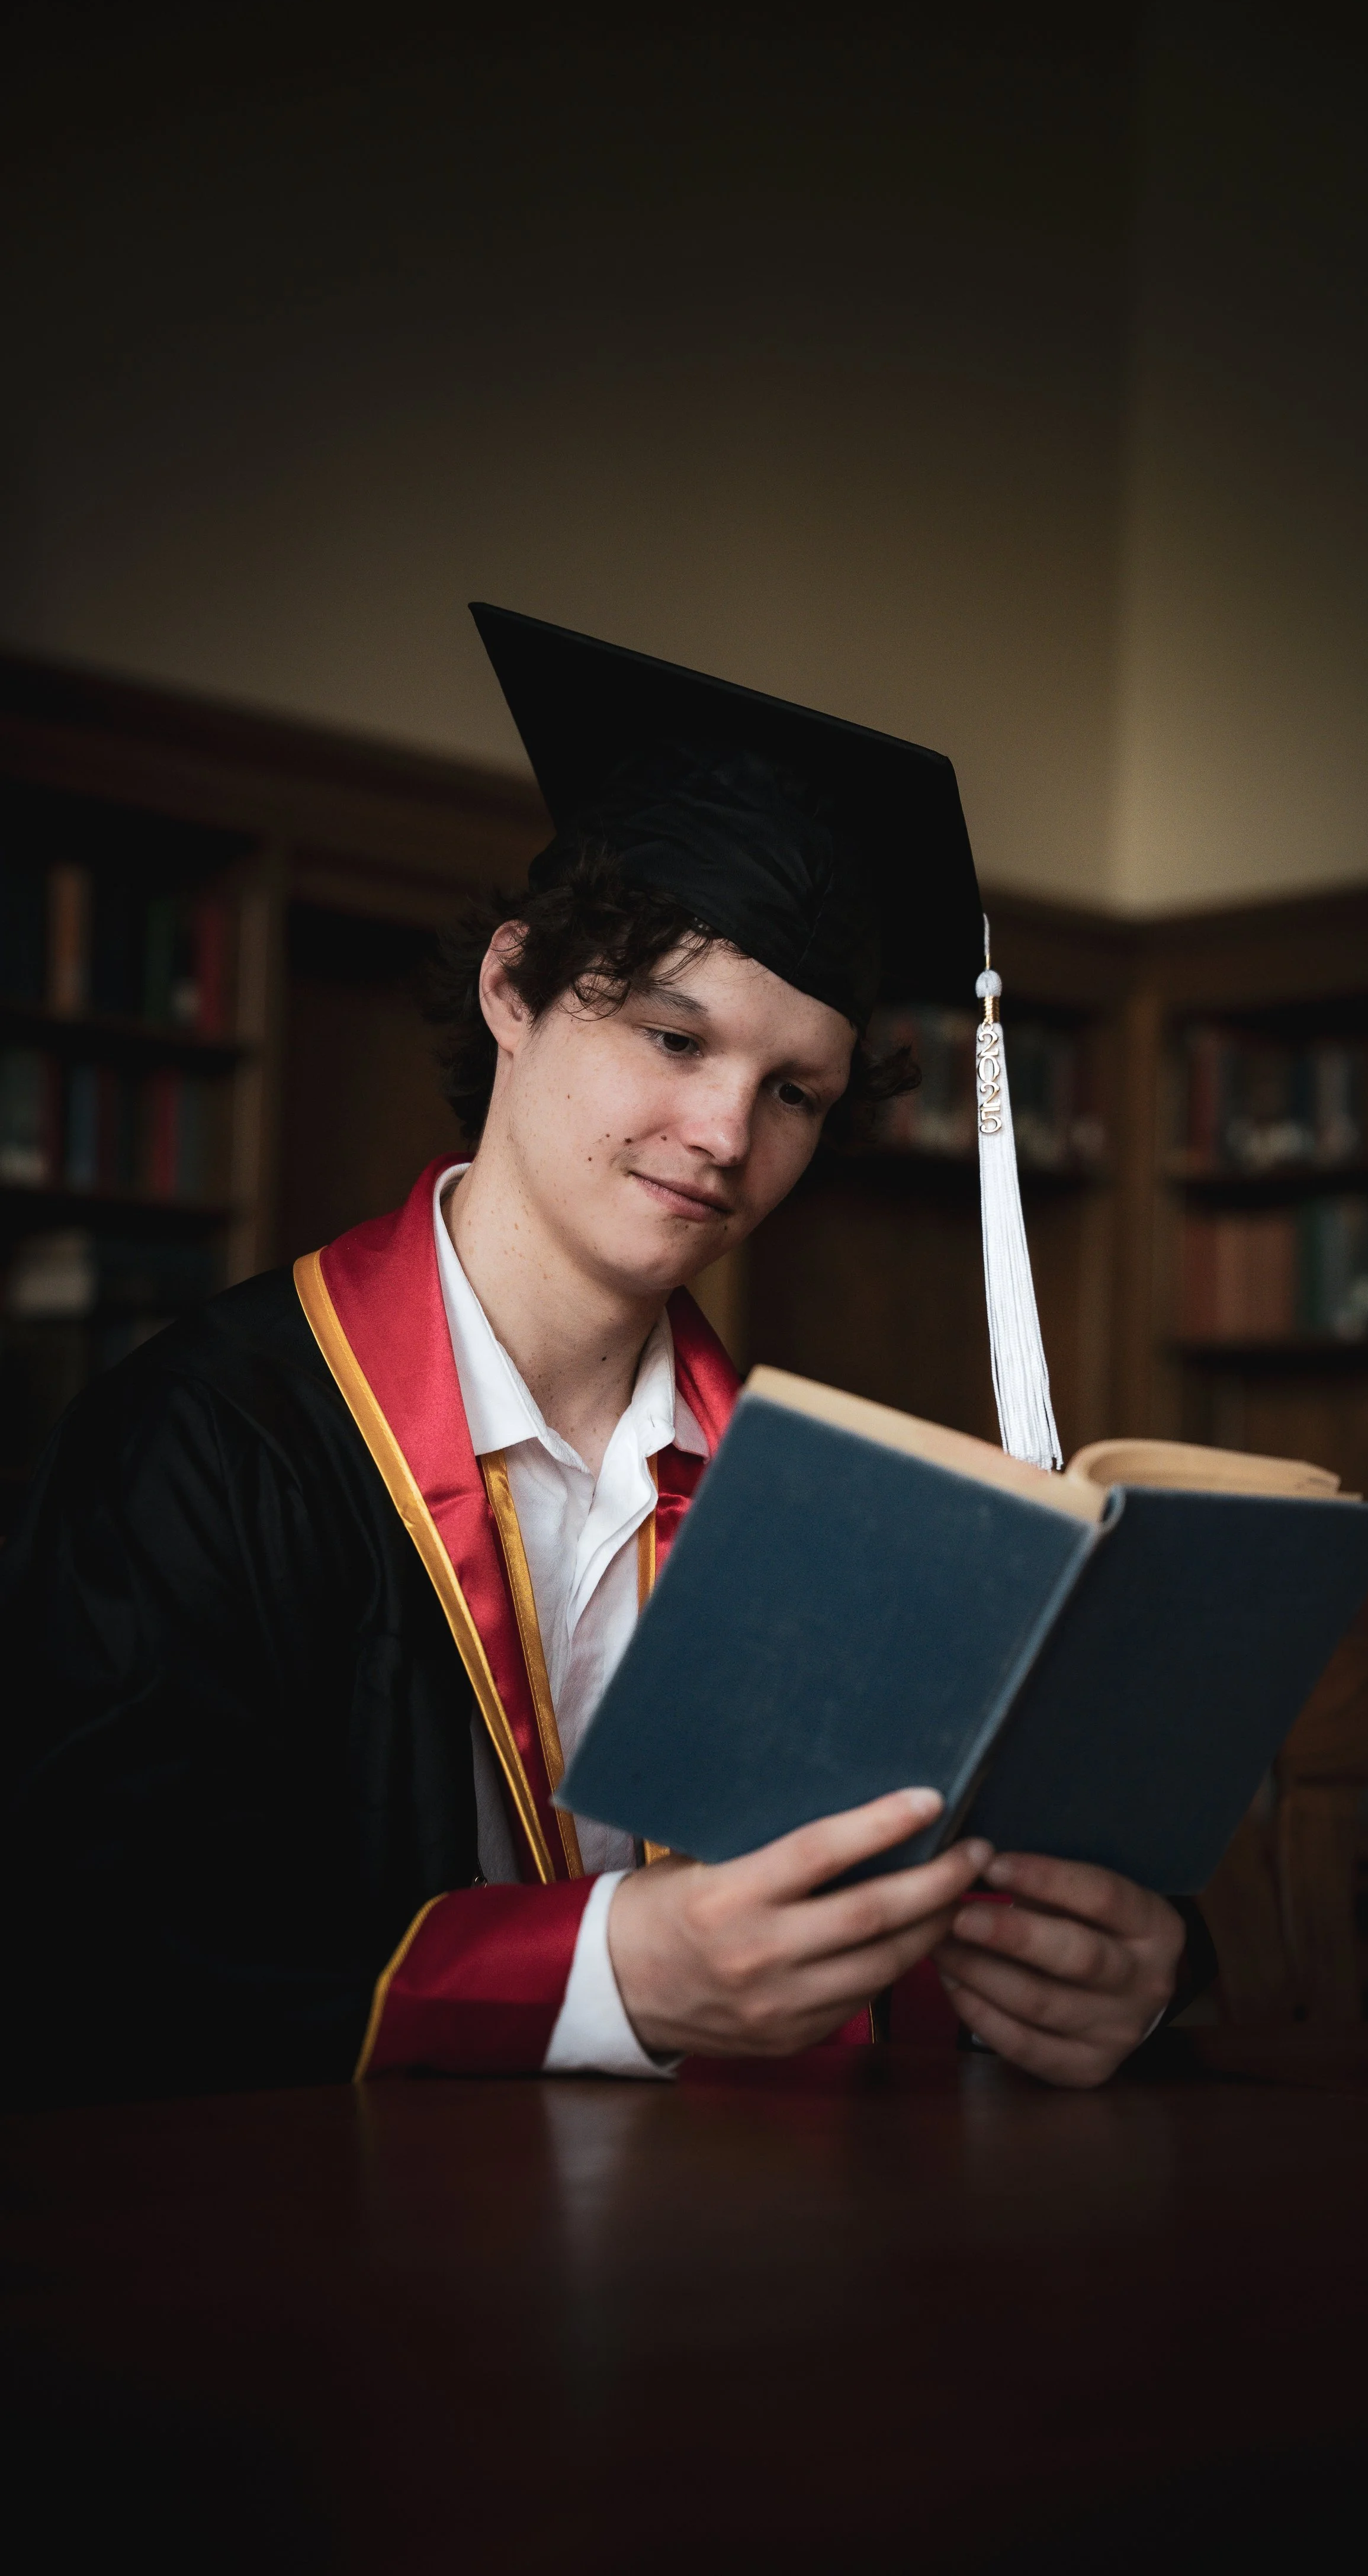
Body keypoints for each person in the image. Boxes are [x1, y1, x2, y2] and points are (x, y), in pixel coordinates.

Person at [0, 609, 1197, 2105]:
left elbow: (897, 1929)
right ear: (512, 987)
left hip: (734, 2268)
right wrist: (603, 1973)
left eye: (794, 1093)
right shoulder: (193, 1449)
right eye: (673, 1039)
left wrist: (1109, 1988)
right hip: (320, 2281)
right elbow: (96, 1967)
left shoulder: (830, 1511)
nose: (723, 1137)